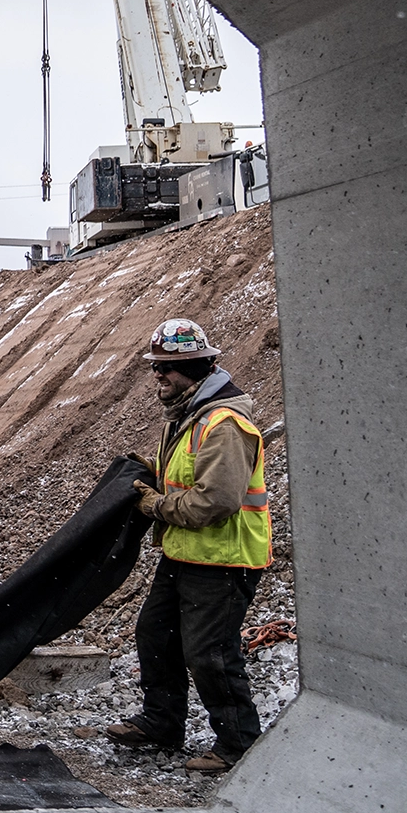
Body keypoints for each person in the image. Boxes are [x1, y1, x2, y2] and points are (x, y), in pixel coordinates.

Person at [107, 318, 271, 774]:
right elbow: (185, 475)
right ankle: (162, 724)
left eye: (167, 367)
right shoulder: (187, 414)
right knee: (155, 636)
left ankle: (238, 744)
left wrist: (155, 506)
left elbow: (215, 502)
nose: (158, 375)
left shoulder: (224, 425)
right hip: (186, 553)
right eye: (156, 366)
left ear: (199, 366)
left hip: (224, 559)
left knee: (210, 655)